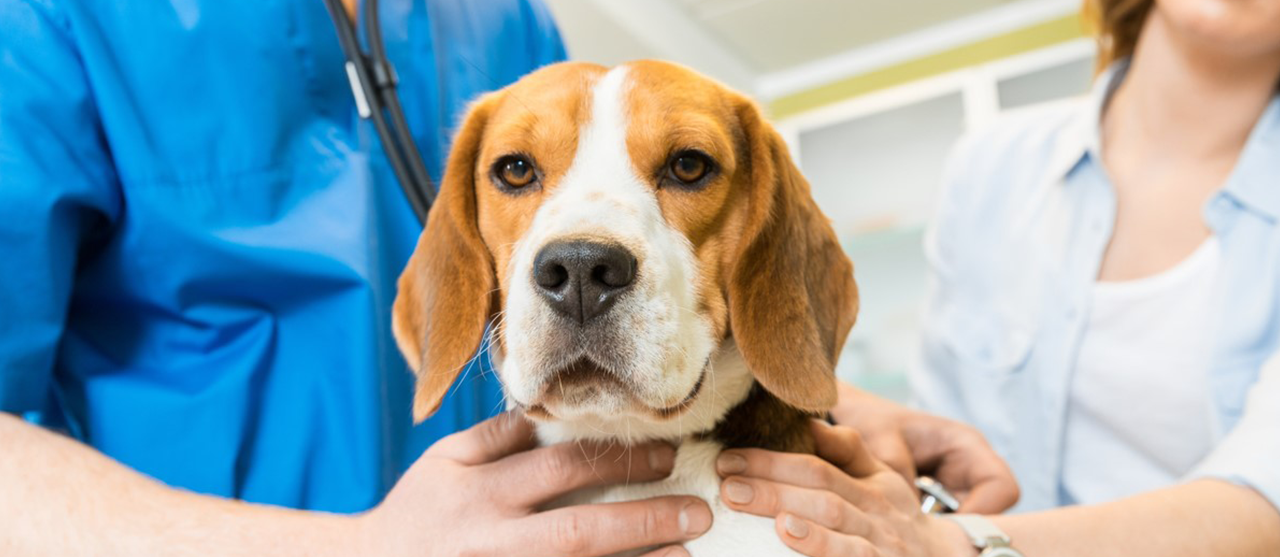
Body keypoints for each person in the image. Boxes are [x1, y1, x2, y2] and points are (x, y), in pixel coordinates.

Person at [0, 0, 1019, 555]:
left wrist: (816, 382)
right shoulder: (49, 21)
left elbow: (649, 253)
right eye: (520, 173)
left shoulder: (501, 23)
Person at [713, 0, 1280, 555]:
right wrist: (845, 403)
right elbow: (940, 431)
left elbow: (1265, 499)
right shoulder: (994, 166)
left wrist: (954, 542)